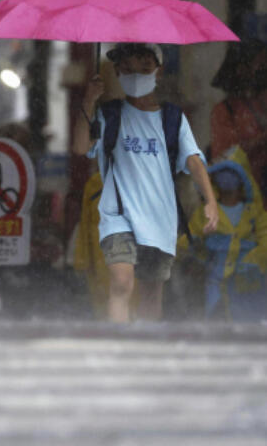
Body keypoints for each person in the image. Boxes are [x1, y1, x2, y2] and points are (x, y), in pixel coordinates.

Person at [72, 42, 218, 322]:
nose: (136, 76)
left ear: (158, 72)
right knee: (121, 282)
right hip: (118, 217)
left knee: (152, 292)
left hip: (158, 218)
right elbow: (80, 147)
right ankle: (120, 349)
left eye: (144, 69)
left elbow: (194, 161)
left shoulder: (173, 118)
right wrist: (89, 101)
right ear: (116, 72)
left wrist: (210, 200)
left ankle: (147, 349)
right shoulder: (108, 114)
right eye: (127, 70)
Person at [176, 146, 267, 320]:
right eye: (222, 172)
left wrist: (253, 262)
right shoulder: (206, 212)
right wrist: (192, 248)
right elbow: (187, 242)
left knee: (249, 326)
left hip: (248, 285)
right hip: (215, 285)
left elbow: (265, 242)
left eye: (232, 171)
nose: (226, 177)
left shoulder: (254, 212)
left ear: (243, 179)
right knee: (217, 326)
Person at [210, 40, 267, 189]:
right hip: (241, 195)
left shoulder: (258, 104)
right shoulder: (223, 111)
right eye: (259, 64)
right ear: (241, 70)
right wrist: (260, 140)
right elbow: (227, 154)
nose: (262, 70)